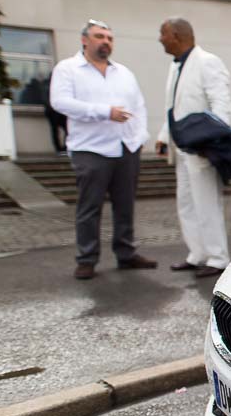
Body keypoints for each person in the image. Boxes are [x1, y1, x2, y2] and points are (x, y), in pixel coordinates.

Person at [50, 20, 156, 280]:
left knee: (125, 205)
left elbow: (139, 106)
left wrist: (140, 136)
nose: (106, 41)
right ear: (85, 40)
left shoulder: (124, 72)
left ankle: (126, 253)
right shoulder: (68, 69)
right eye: (99, 36)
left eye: (109, 37)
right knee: (89, 207)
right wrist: (104, 112)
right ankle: (86, 259)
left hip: (126, 147)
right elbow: (60, 102)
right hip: (91, 149)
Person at [155, 17, 231, 279]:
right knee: (186, 203)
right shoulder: (175, 67)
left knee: (207, 202)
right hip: (181, 149)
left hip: (202, 148)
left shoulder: (208, 62)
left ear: (176, 35)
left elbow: (221, 105)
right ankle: (197, 254)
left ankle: (218, 257)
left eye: (162, 34)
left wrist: (212, 142)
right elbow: (172, 107)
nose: (160, 39)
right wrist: (164, 136)